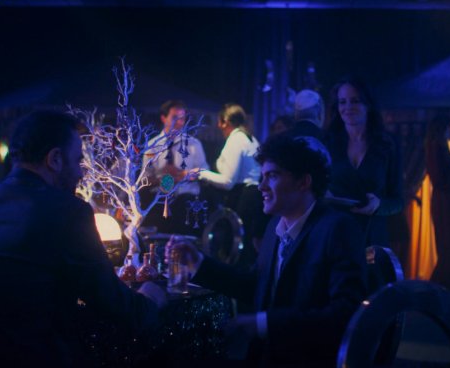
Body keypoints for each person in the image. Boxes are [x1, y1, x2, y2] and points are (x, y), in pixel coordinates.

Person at [0, 111, 165, 366]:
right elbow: (112, 302)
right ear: (55, 159)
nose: (82, 173)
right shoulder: (67, 210)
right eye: (78, 161)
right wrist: (151, 297)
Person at [169, 134, 366, 364]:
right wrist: (200, 264)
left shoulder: (337, 228)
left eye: (272, 176)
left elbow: (345, 313)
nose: (261, 186)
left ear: (303, 182)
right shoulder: (276, 226)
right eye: (262, 176)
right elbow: (256, 285)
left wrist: (262, 324)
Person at [325, 77, 403, 246]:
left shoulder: (388, 144)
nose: (347, 108)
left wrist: (379, 206)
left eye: (355, 101)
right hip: (334, 234)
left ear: (368, 104)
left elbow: (398, 201)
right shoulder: (327, 142)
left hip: (372, 236)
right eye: (342, 102)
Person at [192, 104, 265, 264]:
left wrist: (200, 173)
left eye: (220, 122)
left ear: (226, 121)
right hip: (252, 197)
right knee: (246, 251)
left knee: (236, 254)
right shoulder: (251, 139)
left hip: (243, 199)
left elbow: (228, 182)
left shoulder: (236, 140)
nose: (218, 126)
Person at [143, 100, 208, 234]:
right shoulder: (152, 146)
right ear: (163, 118)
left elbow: (205, 172)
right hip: (160, 201)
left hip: (187, 201)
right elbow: (144, 179)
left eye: (182, 118)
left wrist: (183, 174)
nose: (179, 122)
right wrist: (162, 178)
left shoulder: (193, 144)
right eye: (174, 118)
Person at [425, 115, 450, 294]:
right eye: (448, 128)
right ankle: (446, 283)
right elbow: (440, 178)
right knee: (449, 243)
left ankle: (448, 283)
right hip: (445, 200)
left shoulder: (443, 146)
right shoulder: (435, 147)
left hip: (448, 198)